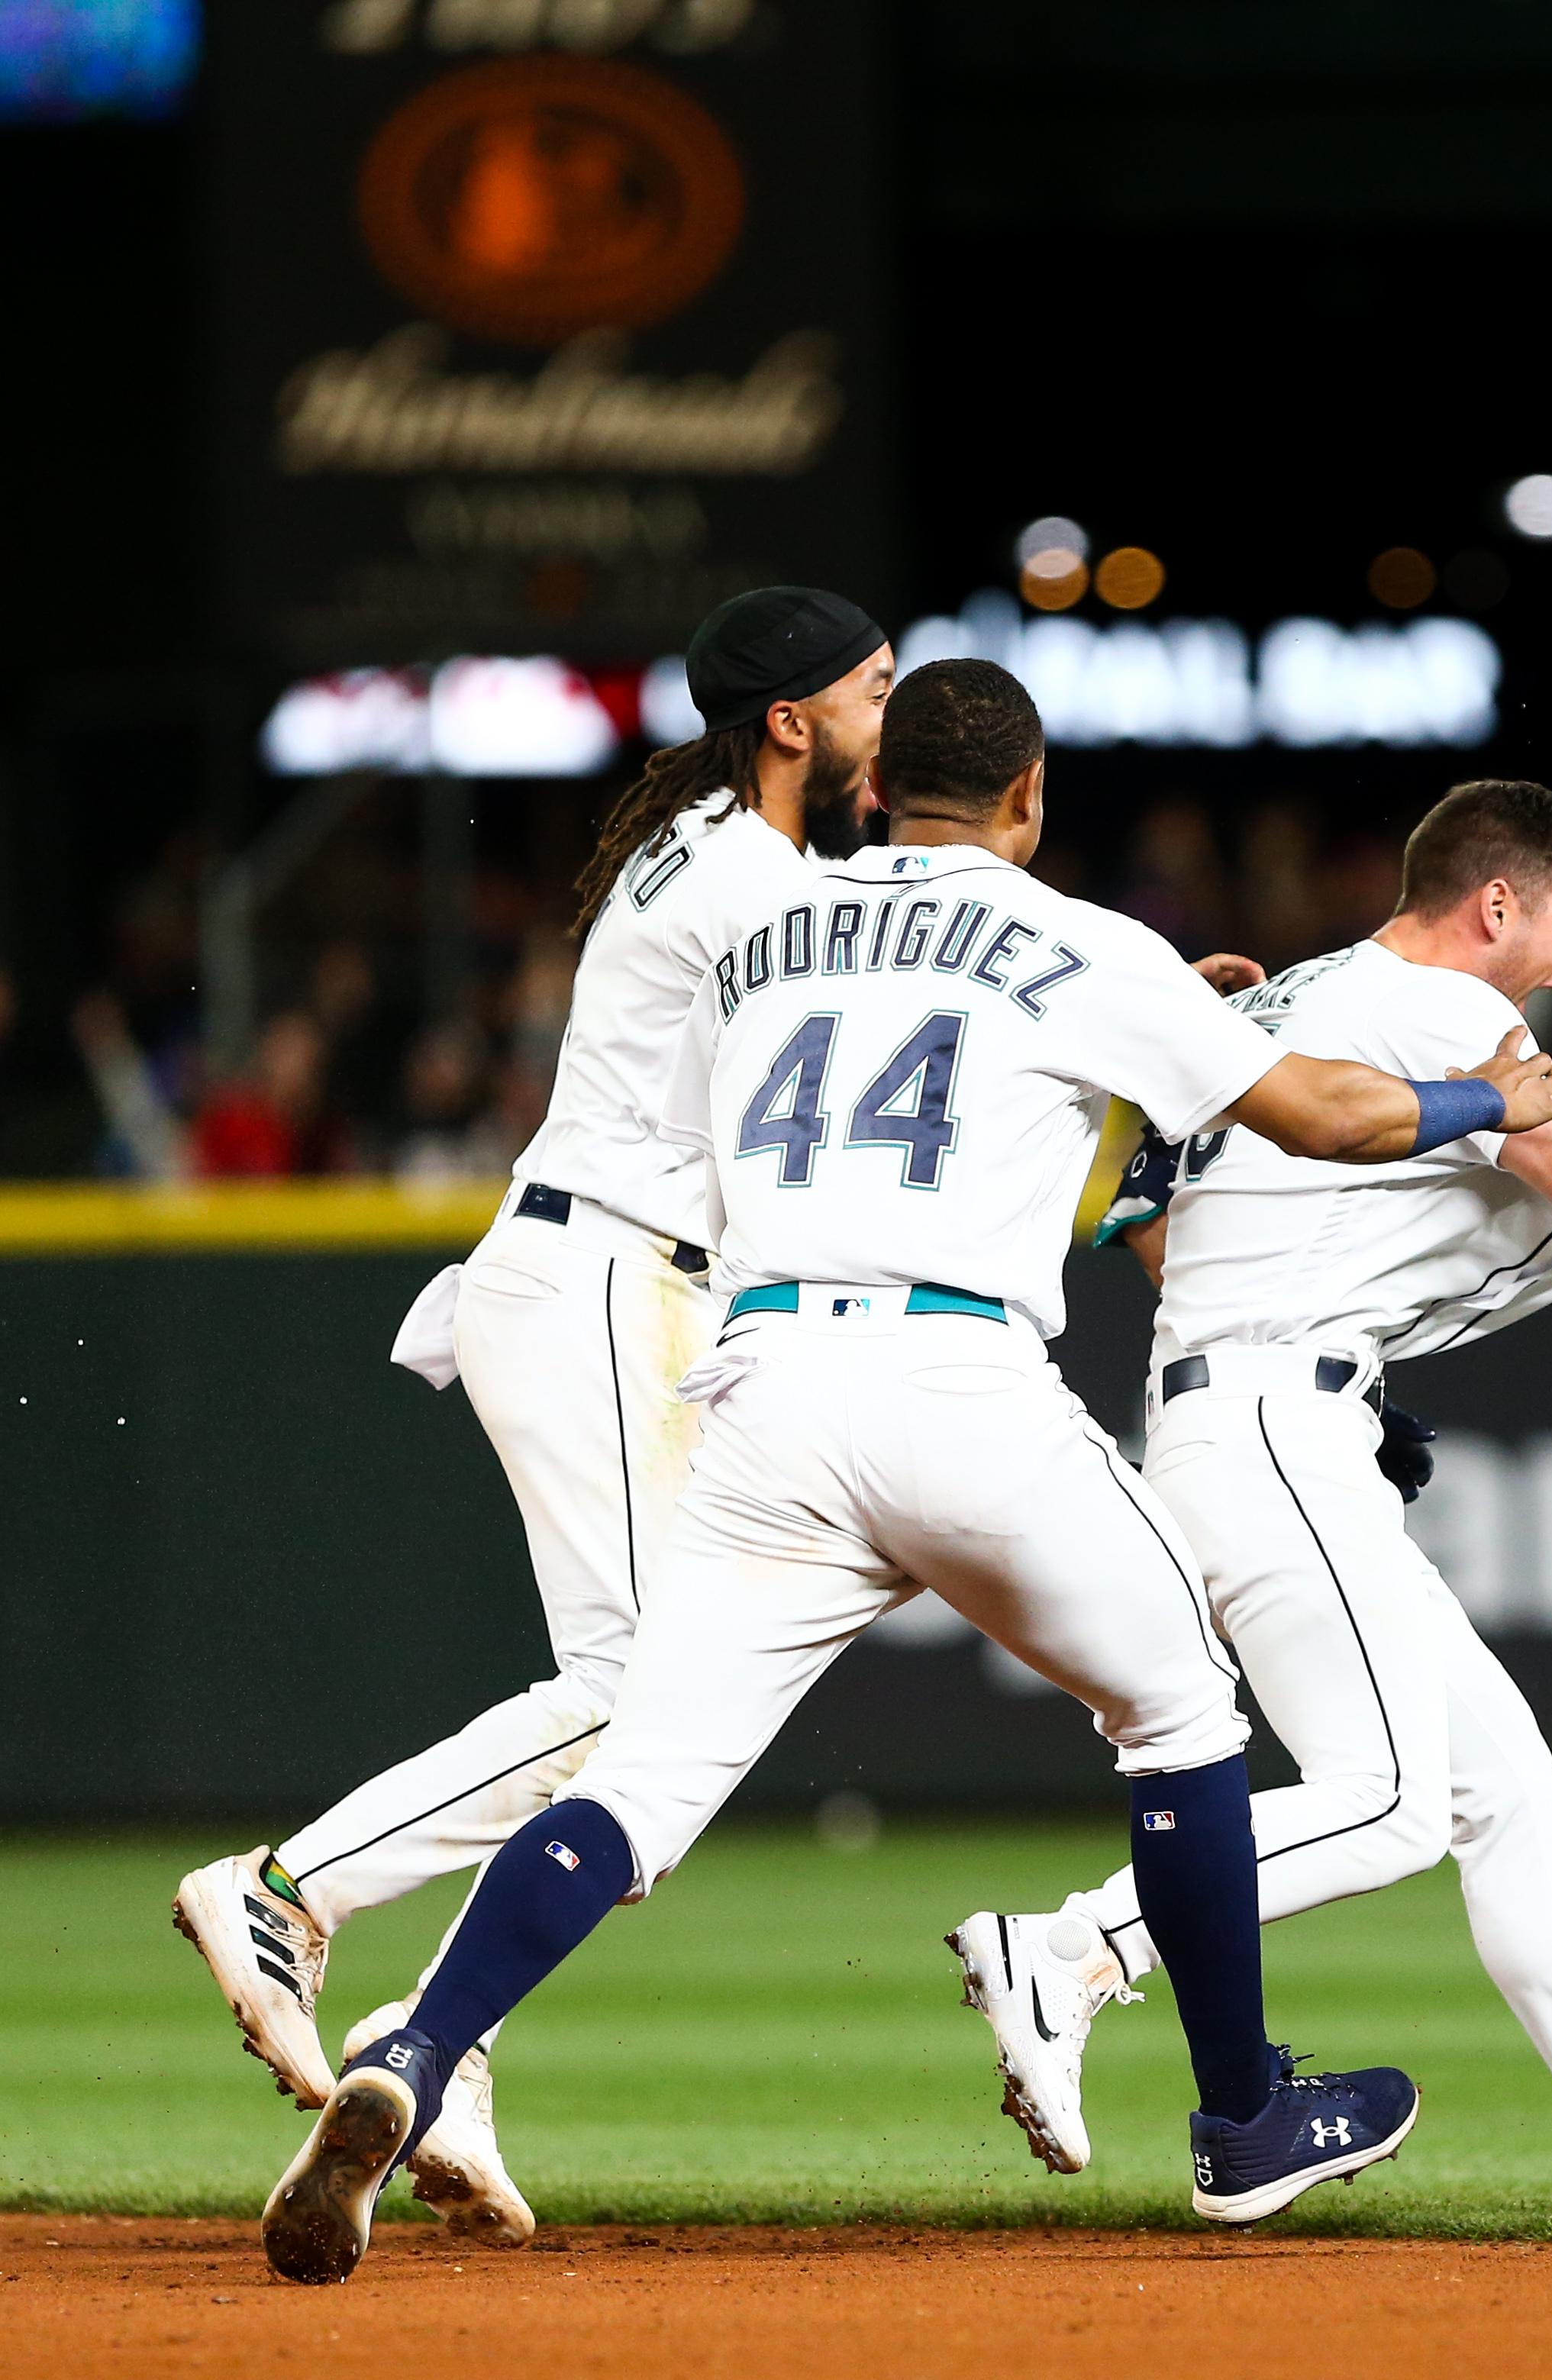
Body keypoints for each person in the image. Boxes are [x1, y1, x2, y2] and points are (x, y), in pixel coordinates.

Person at [257, 659, 1552, 2285]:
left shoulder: (763, 933)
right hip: (961, 1385)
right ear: (1029, 799)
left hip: (760, 1386)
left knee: (634, 1784)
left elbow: (723, 1123)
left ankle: (419, 2048)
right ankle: (1244, 2116)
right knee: (1179, 1718)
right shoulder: (1087, 940)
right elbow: (1316, 1110)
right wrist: (1485, 1090)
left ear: (877, 790)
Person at [949, 779, 1552, 2219]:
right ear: (1498, 903)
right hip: (1276, 1429)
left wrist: (1336, 1341)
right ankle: (1077, 1947)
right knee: (1390, 1802)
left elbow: (1150, 1237)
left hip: (1248, 1416)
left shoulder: (1286, 1004)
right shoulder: (1443, 1010)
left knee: (1501, 1785)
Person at [176, 585, 895, 2244]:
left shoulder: (735, 848)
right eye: (870, 690)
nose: (892, 715)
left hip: (618, 1276)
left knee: (654, 1723)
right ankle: (288, 1892)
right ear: (790, 719)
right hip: (610, 1272)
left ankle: (445, 2047)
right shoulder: (745, 876)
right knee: (648, 1700)